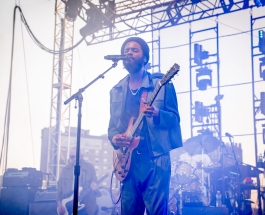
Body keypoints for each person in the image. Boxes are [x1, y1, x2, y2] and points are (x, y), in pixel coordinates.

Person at [108, 37, 182, 215]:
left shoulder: (162, 84)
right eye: (126, 50)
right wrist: (114, 138)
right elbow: (112, 127)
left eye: (135, 50)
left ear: (145, 59)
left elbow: (174, 119)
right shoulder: (116, 90)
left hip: (155, 159)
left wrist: (157, 114)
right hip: (128, 162)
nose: (129, 53)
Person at [57, 146, 100, 215]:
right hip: (68, 206)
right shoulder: (65, 169)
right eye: (72, 157)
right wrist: (59, 204)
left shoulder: (89, 168)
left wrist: (96, 189)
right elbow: (59, 188)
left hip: (85, 206)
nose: (74, 159)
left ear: (82, 156)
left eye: (76, 157)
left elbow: (95, 188)